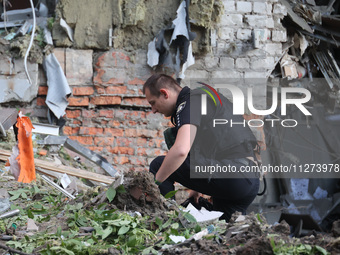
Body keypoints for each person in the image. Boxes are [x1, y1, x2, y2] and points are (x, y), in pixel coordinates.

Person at [143, 73, 260, 221]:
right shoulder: (206, 97)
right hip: (249, 180)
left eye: (153, 103)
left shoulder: (190, 102)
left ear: (164, 93)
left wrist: (154, 184)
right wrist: (197, 190)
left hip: (233, 175)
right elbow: (214, 147)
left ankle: (165, 220)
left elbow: (180, 151)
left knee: (158, 165)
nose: (153, 110)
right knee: (223, 232)